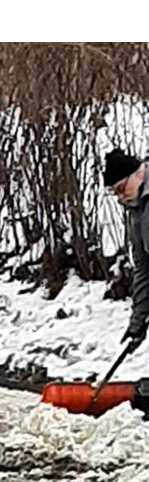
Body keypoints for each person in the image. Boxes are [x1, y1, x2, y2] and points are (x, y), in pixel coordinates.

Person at [104, 148, 149, 354]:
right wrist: (138, 320)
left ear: (139, 173)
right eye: (115, 192)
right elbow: (143, 268)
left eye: (121, 188)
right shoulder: (136, 211)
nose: (120, 197)